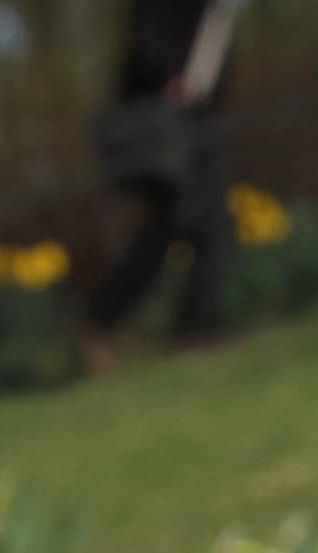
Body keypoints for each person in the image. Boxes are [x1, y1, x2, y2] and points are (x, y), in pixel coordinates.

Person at [83, 0, 241, 363]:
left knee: (201, 224)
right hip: (168, 125)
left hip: (199, 120)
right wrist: (170, 80)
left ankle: (186, 327)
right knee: (176, 227)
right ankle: (111, 320)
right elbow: (145, 43)